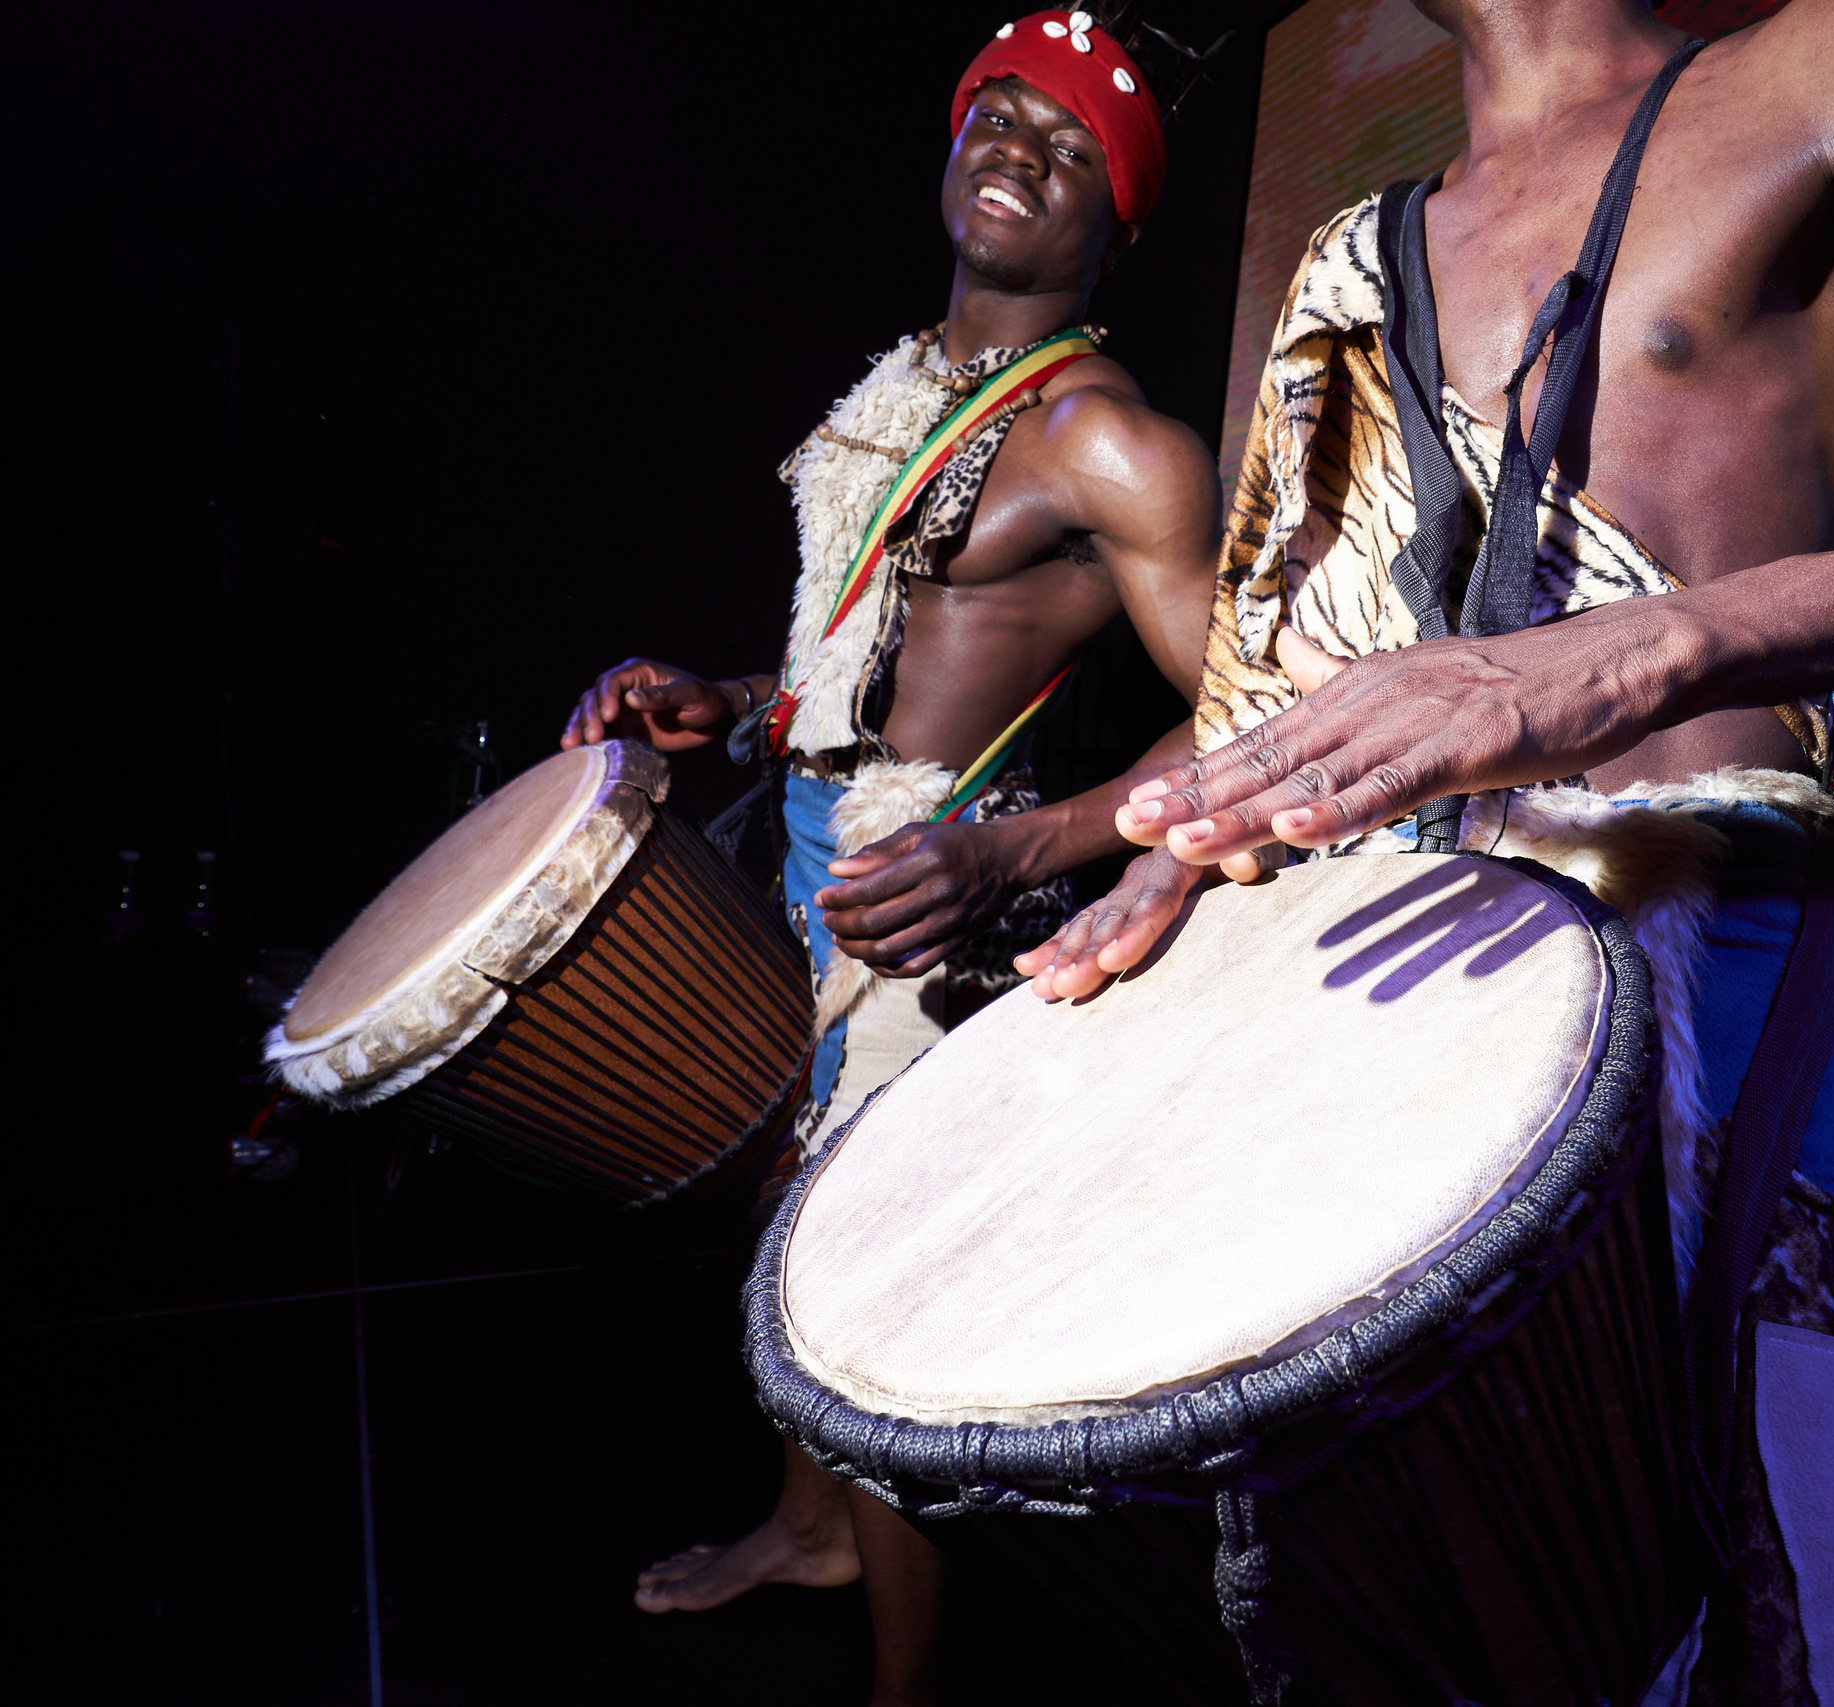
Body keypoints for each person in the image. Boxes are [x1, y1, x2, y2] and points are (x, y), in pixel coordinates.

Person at [1019, 0, 1834, 1699]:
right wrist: (1173, 843)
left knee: (1808, 1615)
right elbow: (1286, 675)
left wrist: (1635, 649)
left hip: (1709, 976)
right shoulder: (1358, 250)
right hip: (1389, 1026)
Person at [562, 12, 1219, 1700]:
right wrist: (715, 695)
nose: (1021, 151)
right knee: (782, 1217)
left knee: (861, 1311)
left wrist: (1016, 854)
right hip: (798, 855)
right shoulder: (905, 392)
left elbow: (1263, 713)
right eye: (999, 116)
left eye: (1071, 146)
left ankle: (908, 1688)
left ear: (1115, 220)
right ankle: (815, 1529)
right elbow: (856, 661)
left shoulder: (1110, 446)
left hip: (926, 902)